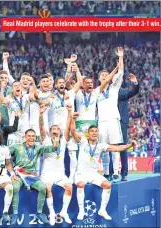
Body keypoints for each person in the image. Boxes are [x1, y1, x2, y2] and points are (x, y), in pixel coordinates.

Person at [70, 112, 137, 220]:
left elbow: (117, 149)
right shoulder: (83, 141)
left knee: (107, 185)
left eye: (96, 131)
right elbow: (73, 132)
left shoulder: (101, 145)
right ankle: (81, 211)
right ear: (88, 133)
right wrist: (72, 119)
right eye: (92, 131)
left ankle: (102, 210)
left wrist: (130, 145)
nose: (94, 133)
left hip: (93, 174)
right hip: (81, 173)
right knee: (81, 184)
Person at [39, 103, 73, 225]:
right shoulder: (46, 140)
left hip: (59, 174)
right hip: (46, 173)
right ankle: (52, 212)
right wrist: (41, 114)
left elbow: (68, 126)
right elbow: (41, 127)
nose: (55, 130)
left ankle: (64, 211)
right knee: (48, 188)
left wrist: (69, 112)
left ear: (60, 131)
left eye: (57, 129)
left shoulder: (63, 140)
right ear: (50, 131)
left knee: (69, 187)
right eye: (53, 129)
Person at [8, 128, 49, 225]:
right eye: (29, 136)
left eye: (33, 136)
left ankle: (39, 212)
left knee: (43, 188)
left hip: (31, 175)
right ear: (25, 137)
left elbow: (52, 148)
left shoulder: (38, 147)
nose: (31, 138)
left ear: (36, 137)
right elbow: (4, 152)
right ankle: (15, 214)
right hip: (19, 174)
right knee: (15, 187)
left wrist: (56, 141)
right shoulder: (17, 147)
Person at [98, 47, 124, 181]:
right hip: (101, 122)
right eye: (102, 75)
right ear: (98, 78)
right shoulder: (97, 91)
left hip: (113, 120)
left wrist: (120, 57)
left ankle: (115, 171)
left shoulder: (114, 87)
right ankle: (106, 173)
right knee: (103, 148)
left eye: (106, 75)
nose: (104, 77)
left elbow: (120, 72)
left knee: (115, 147)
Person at [117, 73, 139, 181]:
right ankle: (110, 172)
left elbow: (134, 91)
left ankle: (124, 173)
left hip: (121, 122)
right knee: (107, 147)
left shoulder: (122, 92)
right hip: (108, 121)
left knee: (123, 147)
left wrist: (135, 83)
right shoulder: (104, 91)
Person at [0, 81, 36, 146]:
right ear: (12, 89)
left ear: (21, 88)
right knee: (11, 152)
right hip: (14, 131)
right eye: (15, 86)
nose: (17, 87)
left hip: (25, 131)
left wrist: (31, 85)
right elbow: (2, 101)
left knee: (24, 153)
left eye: (19, 85)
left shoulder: (25, 97)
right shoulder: (9, 98)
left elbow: (32, 96)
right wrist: (2, 88)